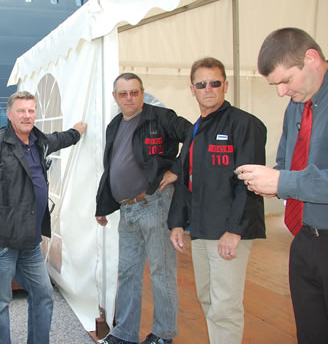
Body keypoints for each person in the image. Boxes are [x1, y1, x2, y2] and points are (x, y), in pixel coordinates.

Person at [0, 90, 87, 344]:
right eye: (21, 111)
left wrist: (76, 132)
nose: (27, 115)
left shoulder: (39, 141)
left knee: (43, 295)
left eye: (31, 111)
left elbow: (59, 139)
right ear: (9, 114)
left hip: (30, 240)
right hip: (0, 242)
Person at [236, 28, 328, 342]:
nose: (281, 92)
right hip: (304, 238)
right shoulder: (297, 106)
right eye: (275, 85)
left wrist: (283, 180)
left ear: (312, 59)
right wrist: (269, 181)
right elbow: (287, 163)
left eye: (286, 81)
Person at [168, 57, 267, 344]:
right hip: (200, 230)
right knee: (208, 298)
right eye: (201, 84)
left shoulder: (244, 124)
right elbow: (186, 181)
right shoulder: (195, 130)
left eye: (214, 82)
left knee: (225, 306)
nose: (208, 89)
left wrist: (234, 230)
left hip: (228, 231)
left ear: (226, 85)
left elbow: (250, 183)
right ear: (192, 89)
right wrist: (177, 224)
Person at [95, 73, 191, 344]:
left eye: (134, 92)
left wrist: (176, 169)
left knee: (161, 272)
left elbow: (195, 135)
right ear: (115, 96)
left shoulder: (160, 118)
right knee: (127, 272)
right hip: (127, 212)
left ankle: (163, 335)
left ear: (142, 93)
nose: (129, 98)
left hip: (155, 205)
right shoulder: (114, 125)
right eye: (123, 93)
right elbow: (111, 167)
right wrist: (104, 204)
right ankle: (124, 334)